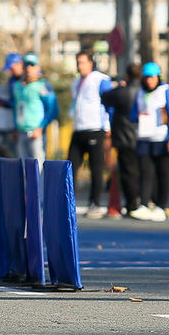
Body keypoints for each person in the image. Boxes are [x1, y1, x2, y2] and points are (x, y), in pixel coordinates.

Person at [130, 62, 169, 222]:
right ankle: (144, 204)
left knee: (163, 173)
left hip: (162, 138)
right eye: (146, 78)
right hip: (144, 138)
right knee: (145, 173)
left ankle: (161, 207)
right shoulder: (140, 92)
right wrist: (138, 115)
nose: (149, 81)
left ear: (158, 77)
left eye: (152, 77)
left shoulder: (165, 91)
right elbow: (132, 115)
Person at [68, 50, 113, 218]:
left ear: (91, 63)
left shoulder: (100, 79)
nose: (80, 66)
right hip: (79, 128)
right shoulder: (76, 81)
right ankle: (68, 202)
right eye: (78, 62)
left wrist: (108, 125)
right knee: (70, 167)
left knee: (96, 168)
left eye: (83, 62)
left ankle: (95, 203)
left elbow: (109, 104)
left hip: (95, 128)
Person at [101, 63, 147, 218]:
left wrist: (119, 86)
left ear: (127, 76)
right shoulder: (144, 91)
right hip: (144, 136)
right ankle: (145, 201)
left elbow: (105, 97)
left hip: (125, 137)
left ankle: (132, 203)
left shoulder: (123, 91)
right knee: (144, 170)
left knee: (128, 172)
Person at [12, 52, 57, 163]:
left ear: (37, 67)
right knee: (22, 170)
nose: (29, 68)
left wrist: (41, 127)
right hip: (21, 133)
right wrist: (15, 128)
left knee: (38, 169)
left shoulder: (42, 85)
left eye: (32, 65)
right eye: (26, 64)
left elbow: (53, 109)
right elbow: (16, 107)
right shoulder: (18, 86)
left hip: (36, 134)